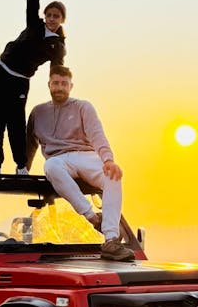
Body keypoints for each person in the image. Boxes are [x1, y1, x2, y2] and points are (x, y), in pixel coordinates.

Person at [26, 65, 135, 261]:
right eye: (56, 83)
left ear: (71, 86)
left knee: (113, 176)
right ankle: (93, 218)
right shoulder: (37, 113)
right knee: (50, 167)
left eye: (64, 84)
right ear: (49, 85)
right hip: (58, 159)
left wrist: (108, 160)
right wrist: (23, 170)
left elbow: (97, 134)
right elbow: (29, 145)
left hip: (86, 155)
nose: (60, 87)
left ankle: (111, 239)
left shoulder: (83, 106)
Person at [0, 0, 66, 175]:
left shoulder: (58, 46)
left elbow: (57, 70)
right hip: (2, 73)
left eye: (56, 16)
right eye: (49, 15)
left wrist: (58, 93)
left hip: (20, 81)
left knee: (15, 122)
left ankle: (21, 166)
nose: (51, 19)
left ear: (62, 19)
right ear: (44, 15)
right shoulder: (34, 25)